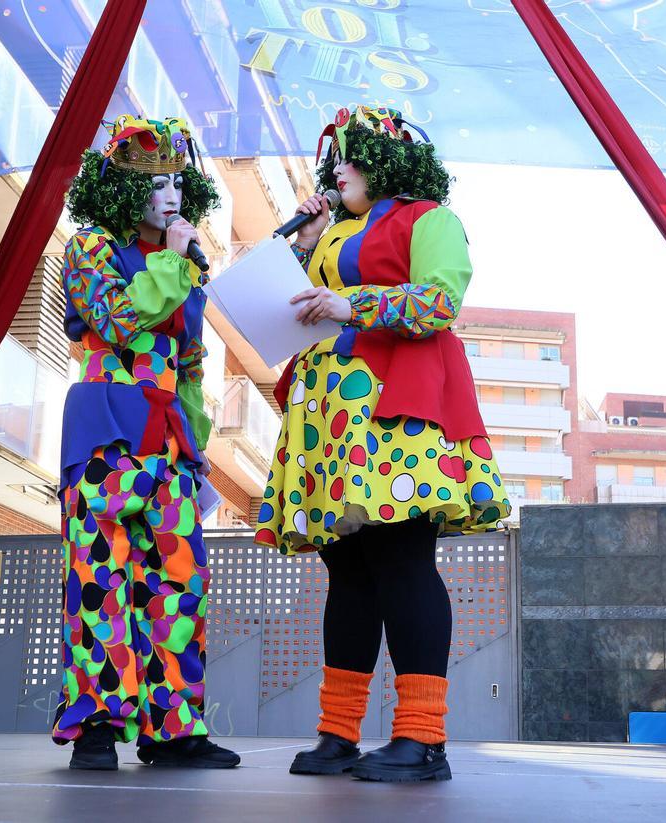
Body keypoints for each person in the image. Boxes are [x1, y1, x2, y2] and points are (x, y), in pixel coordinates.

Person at [254, 106, 511, 782]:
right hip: (328, 416)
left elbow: (437, 301)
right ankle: (338, 734)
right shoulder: (329, 230)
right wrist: (305, 242)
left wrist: (352, 304)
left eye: (352, 155)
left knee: (401, 561)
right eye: (336, 157)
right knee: (347, 571)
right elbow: (289, 304)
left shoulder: (430, 218)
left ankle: (423, 738)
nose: (337, 167)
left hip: (393, 406)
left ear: (389, 162)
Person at [52, 115, 239, 771]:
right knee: (100, 574)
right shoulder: (90, 246)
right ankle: (99, 723)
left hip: (167, 442)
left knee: (178, 584)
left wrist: (196, 449)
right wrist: (174, 260)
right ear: (120, 191)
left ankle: (174, 728)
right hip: (105, 424)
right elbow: (117, 318)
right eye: (155, 182)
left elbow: (190, 369)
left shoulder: (182, 268)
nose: (170, 195)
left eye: (177, 183)